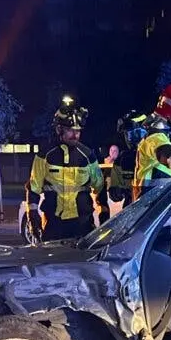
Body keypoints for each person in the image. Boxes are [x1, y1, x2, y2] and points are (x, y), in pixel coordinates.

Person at [22, 97, 107, 243]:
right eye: (70, 130)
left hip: (83, 225)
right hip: (54, 225)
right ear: (59, 129)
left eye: (78, 130)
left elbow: (99, 187)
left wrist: (104, 216)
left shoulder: (87, 155)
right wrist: (33, 216)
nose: (75, 135)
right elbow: (34, 188)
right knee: (52, 265)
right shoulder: (45, 155)